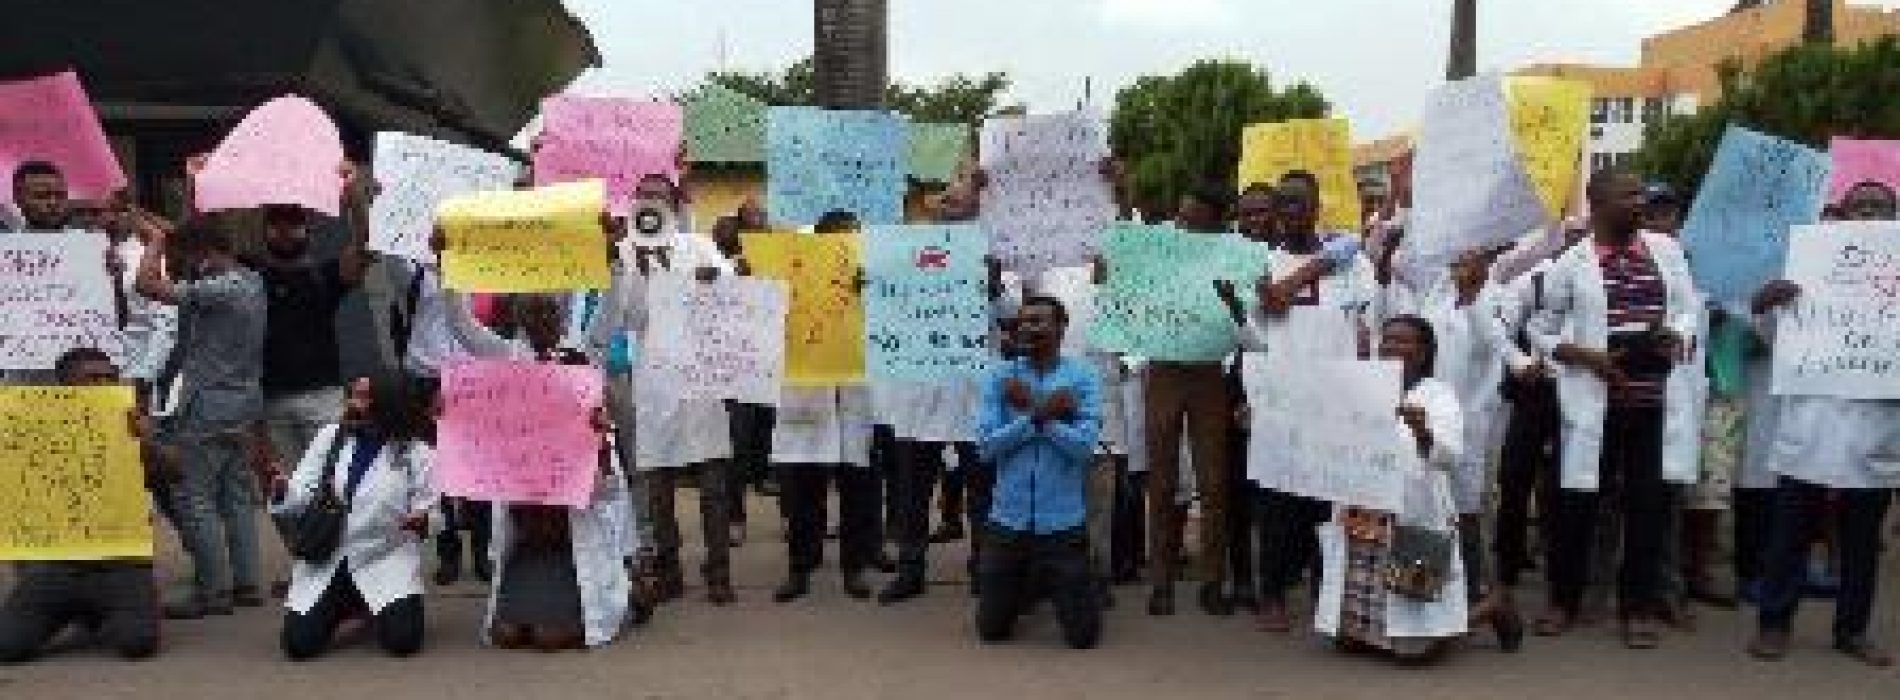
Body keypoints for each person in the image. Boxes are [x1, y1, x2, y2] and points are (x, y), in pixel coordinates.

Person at [1527, 168, 1701, 649]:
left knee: (1648, 508)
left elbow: (1689, 308)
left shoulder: (1665, 251)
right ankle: (1564, 600)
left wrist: (1677, 334)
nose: (1640, 201)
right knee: (1576, 506)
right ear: (1598, 202)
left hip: (1653, 403)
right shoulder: (1571, 264)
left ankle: (1637, 608)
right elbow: (1540, 329)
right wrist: (1586, 357)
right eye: (1629, 194)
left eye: (1641, 193)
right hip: (1593, 402)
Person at [1745, 179, 1898, 667]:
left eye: (1881, 206)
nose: (1870, 214)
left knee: (1861, 543)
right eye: (1861, 206)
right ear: (1844, 214)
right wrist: (1765, 305)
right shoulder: (1808, 270)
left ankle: (1852, 629)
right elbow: (1778, 343)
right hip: (1809, 428)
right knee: (1789, 533)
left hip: (1875, 432)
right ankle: (1774, 622)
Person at [1228, 171, 1375, 631]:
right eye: (1282, 205)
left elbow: (1366, 326)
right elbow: (1249, 337)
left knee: (1328, 501)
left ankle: (1323, 590)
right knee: (1275, 501)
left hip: (1334, 400)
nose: (1289, 213)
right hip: (1279, 400)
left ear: (1316, 207)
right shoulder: (1260, 265)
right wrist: (1254, 396)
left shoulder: (1353, 264)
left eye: (1298, 203)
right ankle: (1272, 594)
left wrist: (1364, 393)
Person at [591, 176, 739, 606]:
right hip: (654, 377)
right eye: (643, 196)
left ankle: (718, 570)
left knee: (713, 482)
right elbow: (622, 319)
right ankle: (668, 568)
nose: (650, 202)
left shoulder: (698, 245)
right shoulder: (623, 252)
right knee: (658, 483)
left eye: (659, 195)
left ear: (674, 203)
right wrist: (625, 265)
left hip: (700, 377)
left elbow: (732, 282)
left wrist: (718, 278)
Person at [134, 217, 272, 619]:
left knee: (196, 499)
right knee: (237, 497)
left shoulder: (218, 289)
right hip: (244, 403)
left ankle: (212, 590)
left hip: (208, 406)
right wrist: (160, 226)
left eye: (190, 257)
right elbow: (190, 235)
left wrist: (156, 244)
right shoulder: (251, 280)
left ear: (204, 254)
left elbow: (145, 285)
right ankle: (246, 583)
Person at [247, 163, 376, 595]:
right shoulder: (250, 277)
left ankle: (344, 563)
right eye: (276, 224)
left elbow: (363, 245)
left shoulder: (324, 275)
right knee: (281, 487)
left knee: (336, 482)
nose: (284, 232)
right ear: (265, 231)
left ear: (308, 229)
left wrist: (354, 194)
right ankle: (305, 563)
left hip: (322, 396)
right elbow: (194, 248)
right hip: (271, 399)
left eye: (293, 223)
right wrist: (196, 188)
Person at [0, 348, 166, 663]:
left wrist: (145, 442)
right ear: (65, 385)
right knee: (8, 647)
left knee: (137, 644)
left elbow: (175, 474)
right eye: (92, 378)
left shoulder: (131, 420)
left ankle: (105, 611)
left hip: (120, 562)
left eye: (109, 378)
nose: (103, 385)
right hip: (55, 564)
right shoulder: (30, 426)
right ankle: (75, 611)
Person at [1318, 315, 1466, 661]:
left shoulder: (1438, 395)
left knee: (1414, 648)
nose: (1392, 347)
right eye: (1388, 339)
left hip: (1411, 514)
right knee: (1351, 636)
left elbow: (1450, 456)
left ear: (1425, 351)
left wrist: (1423, 431)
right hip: (1363, 511)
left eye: (1404, 341)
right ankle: (1366, 632)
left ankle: (1488, 610)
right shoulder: (1361, 389)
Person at [271, 373, 436, 660]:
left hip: (384, 559)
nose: (351, 404)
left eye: (362, 397)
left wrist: (423, 521)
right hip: (328, 557)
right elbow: (299, 493)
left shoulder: (416, 453)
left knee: (403, 642)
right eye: (352, 395)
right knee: (298, 646)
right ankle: (345, 605)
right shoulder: (330, 438)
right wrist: (282, 490)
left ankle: (371, 604)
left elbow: (433, 511)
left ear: (387, 405)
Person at [1137, 182, 1244, 617]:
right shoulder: (1158, 254)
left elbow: (1245, 321)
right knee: (1161, 483)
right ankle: (1160, 580)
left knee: (1213, 482)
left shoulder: (1232, 257)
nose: (1181, 225)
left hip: (1207, 372)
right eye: (1179, 216)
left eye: (1192, 219)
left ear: (1215, 223)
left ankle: (1212, 581)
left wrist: (1230, 299)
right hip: (1163, 368)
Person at [973, 296, 1105, 649]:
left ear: (1062, 327)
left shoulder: (1083, 376)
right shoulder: (1000, 377)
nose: (1028, 328)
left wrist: (1030, 411)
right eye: (1023, 321)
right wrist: (1041, 413)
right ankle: (1032, 585)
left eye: (1038, 321)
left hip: (1062, 525)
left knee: (1082, 638)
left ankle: (1062, 585)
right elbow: (985, 448)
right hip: (1007, 522)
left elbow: (1084, 448)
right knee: (991, 631)